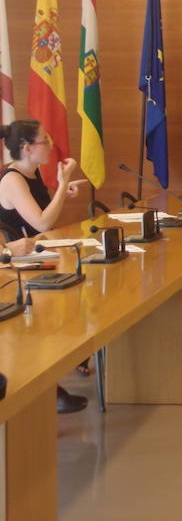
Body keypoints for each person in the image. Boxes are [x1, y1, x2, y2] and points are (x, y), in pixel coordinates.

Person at [0, 120, 88, 414]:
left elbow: (41, 220)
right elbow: (42, 223)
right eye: (45, 141)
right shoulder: (12, 179)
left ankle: (77, 356)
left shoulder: (31, 173)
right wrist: (63, 184)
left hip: (37, 258)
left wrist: (63, 191)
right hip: (15, 269)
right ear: (27, 148)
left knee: (84, 283)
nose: (51, 145)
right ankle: (49, 387)